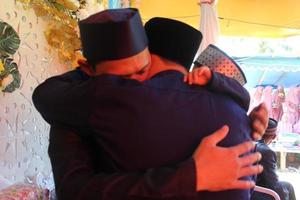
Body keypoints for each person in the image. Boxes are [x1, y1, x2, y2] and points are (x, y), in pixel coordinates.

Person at [33, 9, 268, 199]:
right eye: (122, 79)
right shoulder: (233, 108)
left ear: (150, 57)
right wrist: (190, 177)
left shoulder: (91, 102)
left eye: (143, 70)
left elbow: (73, 192)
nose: (137, 85)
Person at [253, 118, 297, 200]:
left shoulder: (247, 143)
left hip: (246, 188)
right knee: (284, 188)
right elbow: (272, 182)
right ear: (273, 137)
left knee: (288, 185)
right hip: (256, 192)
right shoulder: (267, 152)